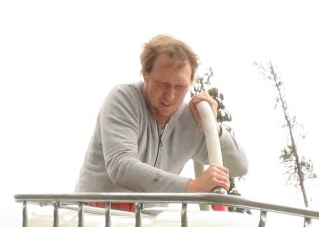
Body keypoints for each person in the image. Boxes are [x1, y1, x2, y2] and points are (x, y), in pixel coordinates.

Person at [75, 35, 248, 194]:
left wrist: (212, 126)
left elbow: (238, 166)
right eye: (163, 83)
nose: (170, 95)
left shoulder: (190, 119)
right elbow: (121, 166)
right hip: (93, 218)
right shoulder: (123, 99)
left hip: (145, 224)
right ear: (145, 75)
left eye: (180, 86)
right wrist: (190, 186)